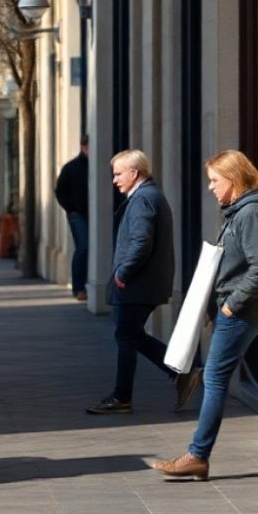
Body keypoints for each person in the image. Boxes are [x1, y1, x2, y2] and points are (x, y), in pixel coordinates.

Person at [150, 150, 258, 478]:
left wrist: (231, 304)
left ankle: (198, 454)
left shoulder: (251, 213)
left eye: (215, 180)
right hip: (251, 310)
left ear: (235, 179)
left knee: (214, 378)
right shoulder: (242, 211)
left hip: (243, 311)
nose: (211, 188)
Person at [86, 150, 201, 416]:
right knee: (131, 335)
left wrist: (123, 273)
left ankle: (122, 397)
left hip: (138, 284)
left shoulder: (143, 199)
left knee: (126, 335)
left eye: (118, 174)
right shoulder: (148, 196)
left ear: (134, 173)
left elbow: (141, 241)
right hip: (143, 283)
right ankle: (178, 374)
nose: (114, 180)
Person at [56, 135, 90, 301]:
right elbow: (59, 191)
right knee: (83, 247)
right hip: (78, 214)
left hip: (96, 214)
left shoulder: (103, 165)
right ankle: (79, 288)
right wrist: (71, 209)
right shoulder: (71, 168)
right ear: (84, 147)